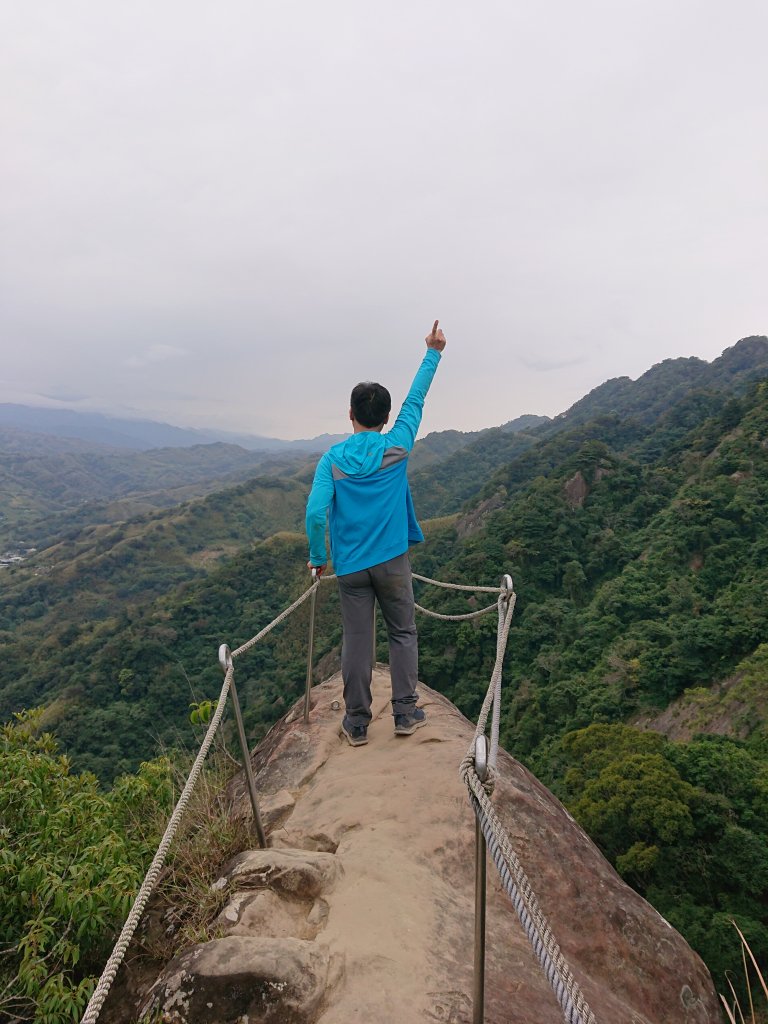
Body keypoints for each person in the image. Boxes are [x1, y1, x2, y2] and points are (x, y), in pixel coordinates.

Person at [305, 320, 447, 746]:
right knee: (402, 632)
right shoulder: (397, 445)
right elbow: (416, 400)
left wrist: (318, 556)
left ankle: (357, 722)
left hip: (350, 566)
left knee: (357, 640)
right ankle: (405, 713)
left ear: (350, 414)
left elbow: (315, 512)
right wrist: (433, 352)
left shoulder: (332, 459)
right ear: (386, 418)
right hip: (392, 559)